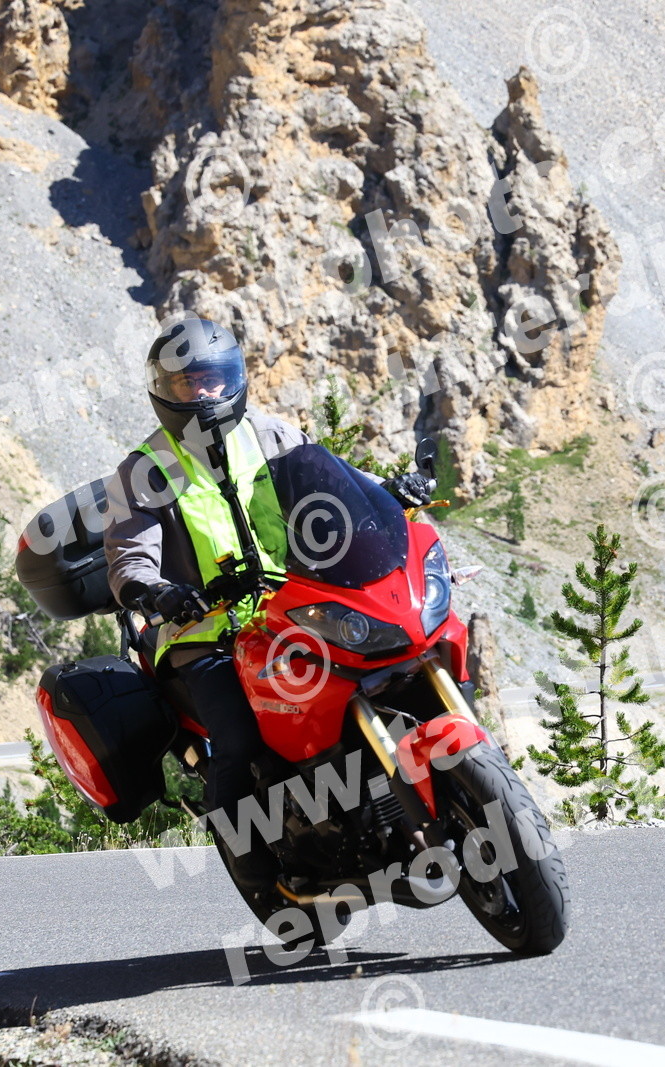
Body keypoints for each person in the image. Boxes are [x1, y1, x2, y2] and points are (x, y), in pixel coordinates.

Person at [103, 316, 434, 889]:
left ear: (234, 377)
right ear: (166, 390)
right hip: (202, 631)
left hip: (292, 607)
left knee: (378, 668)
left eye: (213, 378)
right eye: (188, 382)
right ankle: (254, 870)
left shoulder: (270, 433)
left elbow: (337, 482)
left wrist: (389, 491)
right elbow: (129, 556)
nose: (204, 391)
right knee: (238, 740)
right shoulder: (143, 471)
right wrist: (155, 591)